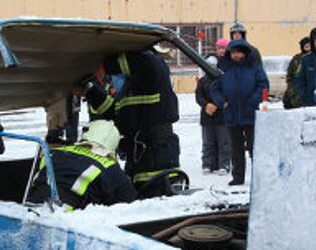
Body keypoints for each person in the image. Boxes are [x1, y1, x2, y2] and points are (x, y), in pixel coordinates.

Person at [93, 48, 182, 194]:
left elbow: (149, 63)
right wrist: (89, 91)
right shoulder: (129, 86)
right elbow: (114, 112)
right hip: (137, 161)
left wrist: (107, 65)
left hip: (158, 160)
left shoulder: (155, 70)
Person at [28, 120, 137, 209]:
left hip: (31, 209)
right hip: (66, 222)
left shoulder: (54, 152)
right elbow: (132, 206)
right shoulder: (110, 168)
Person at [211, 39, 269, 186]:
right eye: (234, 52)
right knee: (235, 149)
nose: (236, 55)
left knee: (254, 147)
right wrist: (221, 102)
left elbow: (263, 85)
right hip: (231, 114)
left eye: (239, 52)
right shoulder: (223, 68)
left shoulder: (254, 67)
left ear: (245, 53)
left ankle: (259, 177)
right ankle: (238, 177)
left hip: (250, 114)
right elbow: (215, 88)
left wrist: (253, 101)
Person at [195, 53, 230, 175]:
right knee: (208, 142)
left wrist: (217, 104)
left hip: (222, 116)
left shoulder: (224, 79)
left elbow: (227, 95)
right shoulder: (202, 81)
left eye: (214, 65)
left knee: (223, 142)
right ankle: (208, 164)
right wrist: (206, 105)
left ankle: (224, 164)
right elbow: (198, 96)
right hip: (207, 116)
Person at [283, 37, 311, 109]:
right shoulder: (296, 59)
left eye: (310, 46)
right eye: (306, 46)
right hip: (296, 90)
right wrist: (292, 91)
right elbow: (290, 77)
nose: (308, 48)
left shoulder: (314, 58)